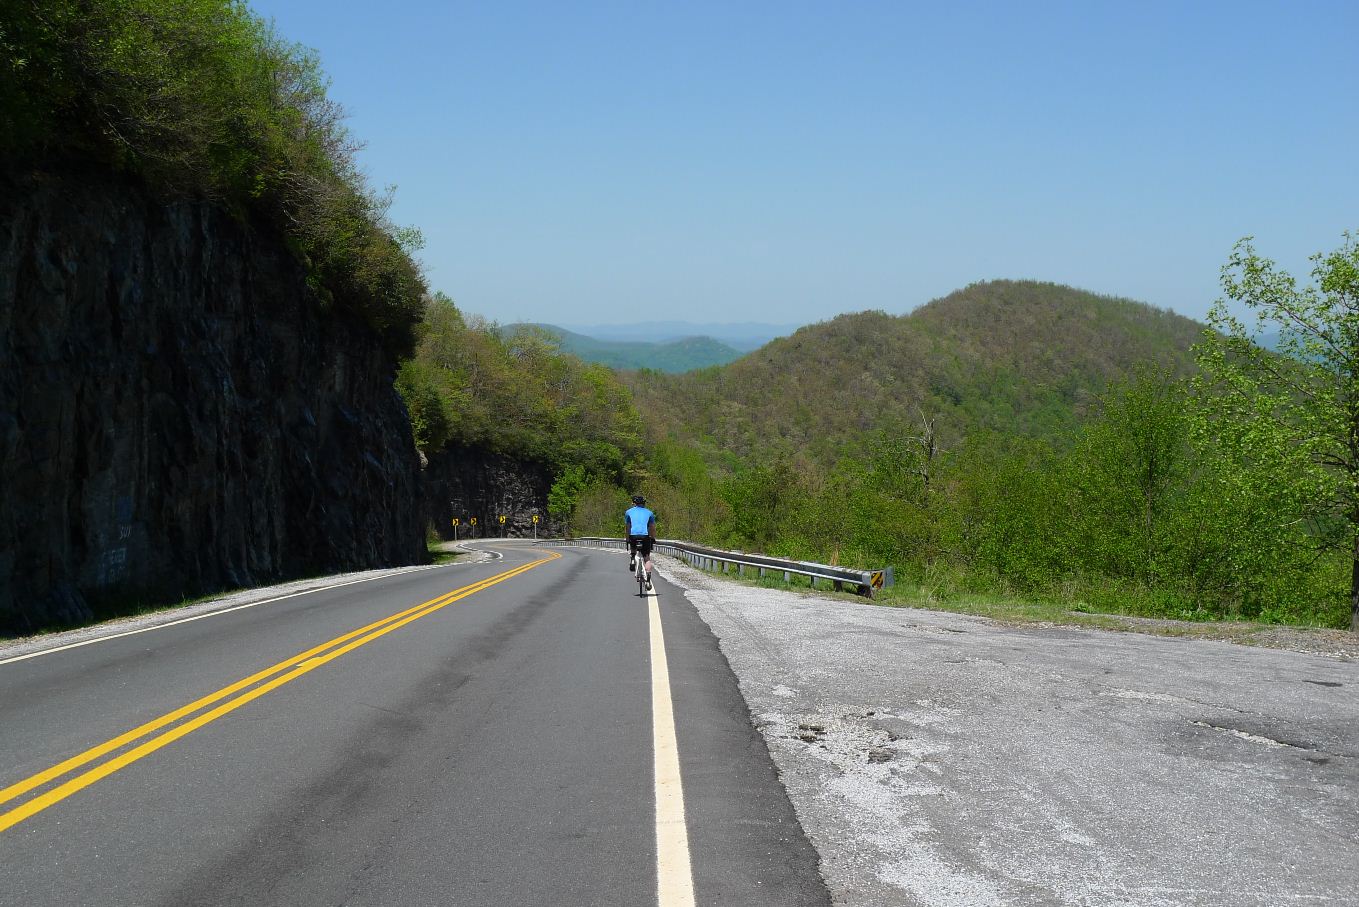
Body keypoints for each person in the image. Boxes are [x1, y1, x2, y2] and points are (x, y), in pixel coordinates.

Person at [624, 494, 656, 591]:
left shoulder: (628, 512)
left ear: (634, 503)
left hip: (633, 535)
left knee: (633, 547)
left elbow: (628, 527)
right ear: (644, 503)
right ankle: (648, 575)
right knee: (646, 557)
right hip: (645, 536)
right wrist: (652, 538)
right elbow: (652, 528)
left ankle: (633, 558)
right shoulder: (650, 513)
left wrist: (627, 539)